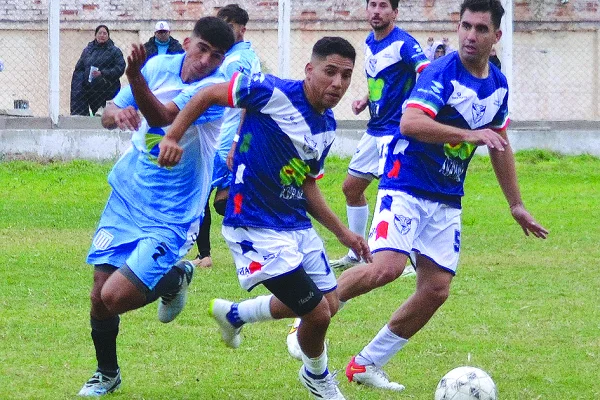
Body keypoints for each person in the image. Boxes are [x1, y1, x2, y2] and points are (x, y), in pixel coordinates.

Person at [337, 0, 549, 392]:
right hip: (407, 182)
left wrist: (516, 204)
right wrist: (471, 135)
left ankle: (365, 364)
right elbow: (411, 122)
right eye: (466, 26)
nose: (470, 36)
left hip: (447, 196)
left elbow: (500, 142)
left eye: (481, 29)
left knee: (435, 290)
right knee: (386, 268)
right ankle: (311, 315)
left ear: (496, 36)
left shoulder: (497, 84)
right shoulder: (442, 72)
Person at [159, 37, 370, 400]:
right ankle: (316, 378)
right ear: (309, 70)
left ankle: (237, 315)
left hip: (296, 226)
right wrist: (174, 136)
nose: (337, 83)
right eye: (330, 72)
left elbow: (306, 185)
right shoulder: (273, 91)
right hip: (254, 224)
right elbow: (209, 94)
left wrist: (344, 234)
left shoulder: (327, 126)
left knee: (329, 305)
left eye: (346, 76)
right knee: (317, 314)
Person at [77, 17, 234, 396]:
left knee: (115, 297)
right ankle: (107, 373)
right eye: (201, 50)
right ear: (187, 43)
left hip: (173, 214)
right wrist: (116, 115)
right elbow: (108, 113)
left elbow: (164, 116)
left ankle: (175, 277)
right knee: (99, 294)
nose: (206, 61)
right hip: (128, 196)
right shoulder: (157, 66)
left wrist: (136, 81)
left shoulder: (215, 90)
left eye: (217, 56)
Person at [329, 0, 430, 270]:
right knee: (351, 188)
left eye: (383, 5)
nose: (376, 10)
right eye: (372, 4)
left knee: (398, 195)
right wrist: (365, 98)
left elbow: (427, 73)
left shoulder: (404, 43)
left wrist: (416, 108)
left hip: (396, 133)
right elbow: (383, 80)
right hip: (374, 129)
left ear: (395, 13)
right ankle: (357, 251)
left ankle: (408, 258)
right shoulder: (369, 42)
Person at [191, 3, 261, 269]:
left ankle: (206, 254)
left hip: (225, 140)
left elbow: (245, 101)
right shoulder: (246, 55)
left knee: (199, 195)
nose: (223, 31)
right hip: (232, 138)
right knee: (223, 201)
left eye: (229, 26)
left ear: (241, 29)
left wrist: (234, 143)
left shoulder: (234, 62)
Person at [70, 25, 125, 116]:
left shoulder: (114, 51)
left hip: (108, 84)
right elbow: (79, 68)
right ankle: (80, 113)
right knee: (78, 82)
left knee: (98, 80)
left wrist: (103, 73)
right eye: (100, 33)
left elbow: (120, 67)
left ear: (108, 36)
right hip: (89, 84)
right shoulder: (88, 51)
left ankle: (101, 107)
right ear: (95, 35)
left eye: (105, 33)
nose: (102, 35)